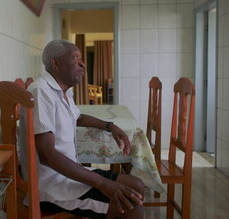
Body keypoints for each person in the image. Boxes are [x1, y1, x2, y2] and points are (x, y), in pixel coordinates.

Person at [26, 39, 145, 219]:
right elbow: (47, 155)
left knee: (137, 185)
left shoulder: (63, 90)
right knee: (131, 208)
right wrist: (103, 184)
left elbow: (78, 117)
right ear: (55, 63)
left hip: (68, 174)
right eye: (75, 57)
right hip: (52, 187)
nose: (82, 63)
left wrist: (110, 126)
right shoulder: (41, 91)